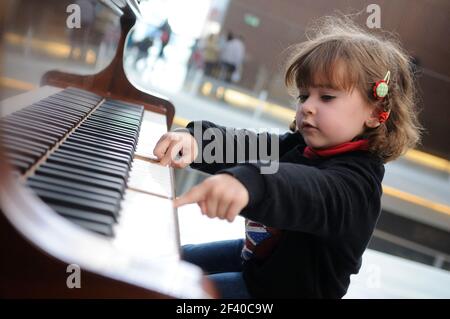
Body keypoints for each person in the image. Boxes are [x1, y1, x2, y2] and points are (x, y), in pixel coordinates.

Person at [152, 16, 422, 298]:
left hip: (281, 292)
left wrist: (248, 182)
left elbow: (305, 188)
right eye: (304, 96)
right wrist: (196, 140)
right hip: (260, 264)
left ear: (375, 113)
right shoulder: (300, 145)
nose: (307, 107)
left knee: (176, 291)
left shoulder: (357, 186)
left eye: (326, 97)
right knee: (171, 258)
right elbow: (247, 145)